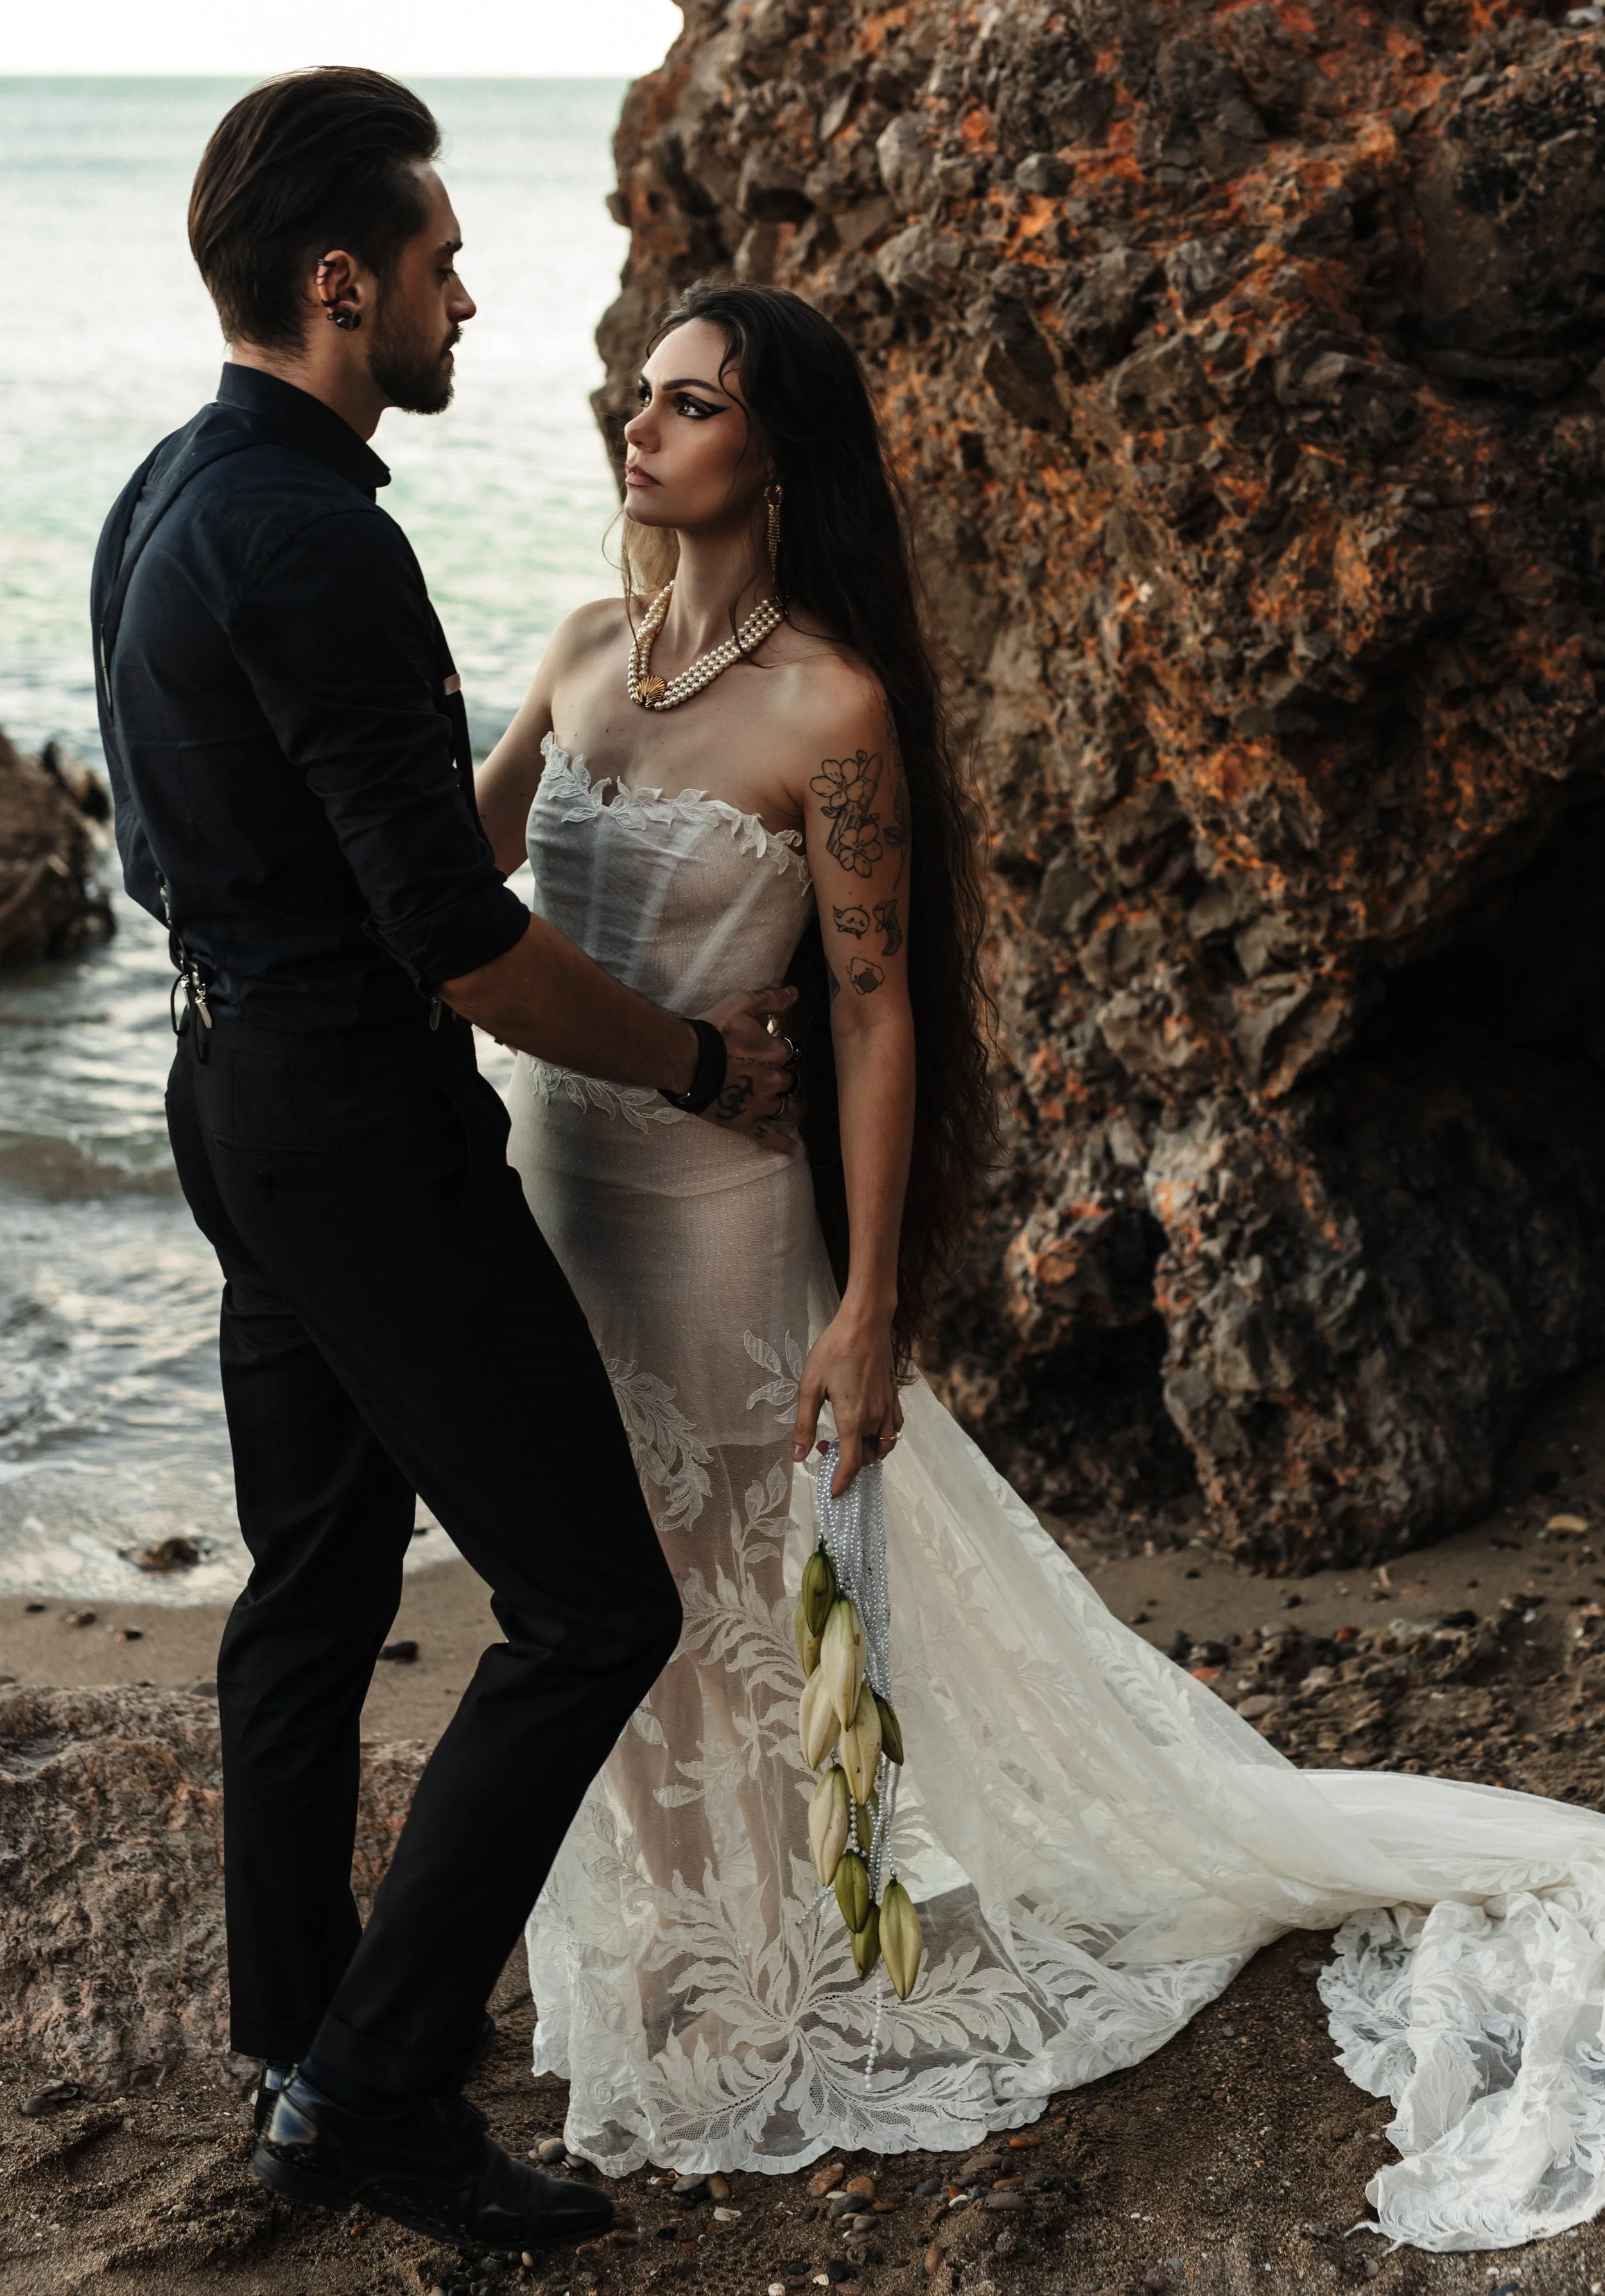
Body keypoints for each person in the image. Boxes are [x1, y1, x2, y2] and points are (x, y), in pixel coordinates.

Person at [476, 280, 1605, 2252]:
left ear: (776, 451)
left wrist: (865, 1305)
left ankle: (790, 1967)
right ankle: (671, 1947)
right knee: (596, 1597)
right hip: (551, 1208)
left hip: (729, 1234)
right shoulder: (580, 647)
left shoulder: (834, 707)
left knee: (749, 1614)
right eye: (634, 394)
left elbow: (875, 1015)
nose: (632, 427)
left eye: (686, 403)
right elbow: (442, 868)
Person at [91, 70, 799, 2257]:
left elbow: (177, 852)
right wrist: (696, 1059)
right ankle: (374, 2087)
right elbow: (467, 944)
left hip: (228, 1090)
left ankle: (298, 2022)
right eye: (437, 262)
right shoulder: (318, 530)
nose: (467, 298)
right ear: (339, 284)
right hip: (353, 1127)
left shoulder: (158, 494)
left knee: (308, 1588)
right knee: (590, 1603)